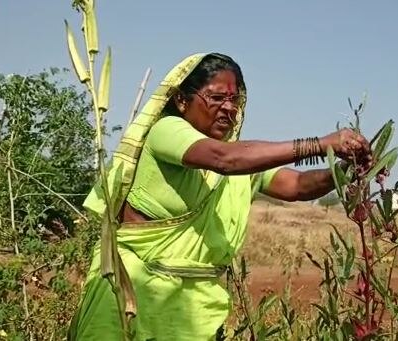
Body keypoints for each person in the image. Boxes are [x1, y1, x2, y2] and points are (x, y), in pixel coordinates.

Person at [69, 52, 372, 340]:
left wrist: (343, 169)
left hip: (191, 304)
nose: (229, 108)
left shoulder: (240, 161)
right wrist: (318, 144)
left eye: (235, 100)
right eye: (216, 97)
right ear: (181, 100)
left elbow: (297, 187)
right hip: (133, 292)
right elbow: (224, 159)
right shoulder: (167, 131)